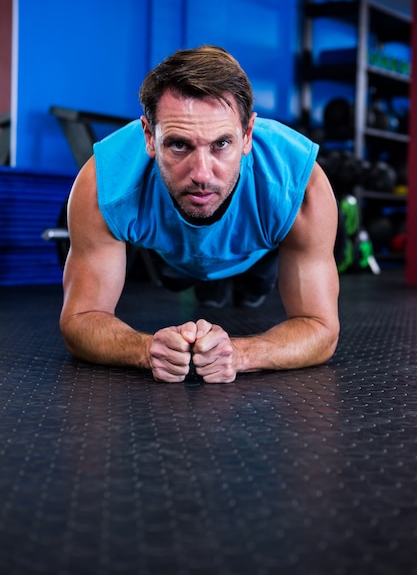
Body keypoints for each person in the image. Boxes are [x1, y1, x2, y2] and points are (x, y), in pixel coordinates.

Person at [59, 45, 340, 384]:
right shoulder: (104, 183)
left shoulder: (298, 183)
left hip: (255, 258)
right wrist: (146, 349)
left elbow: (321, 329)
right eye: (179, 145)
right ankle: (206, 286)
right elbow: (80, 319)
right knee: (200, 291)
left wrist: (240, 354)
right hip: (171, 259)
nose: (202, 174)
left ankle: (233, 285)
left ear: (248, 134)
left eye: (221, 143)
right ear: (149, 136)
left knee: (246, 296)